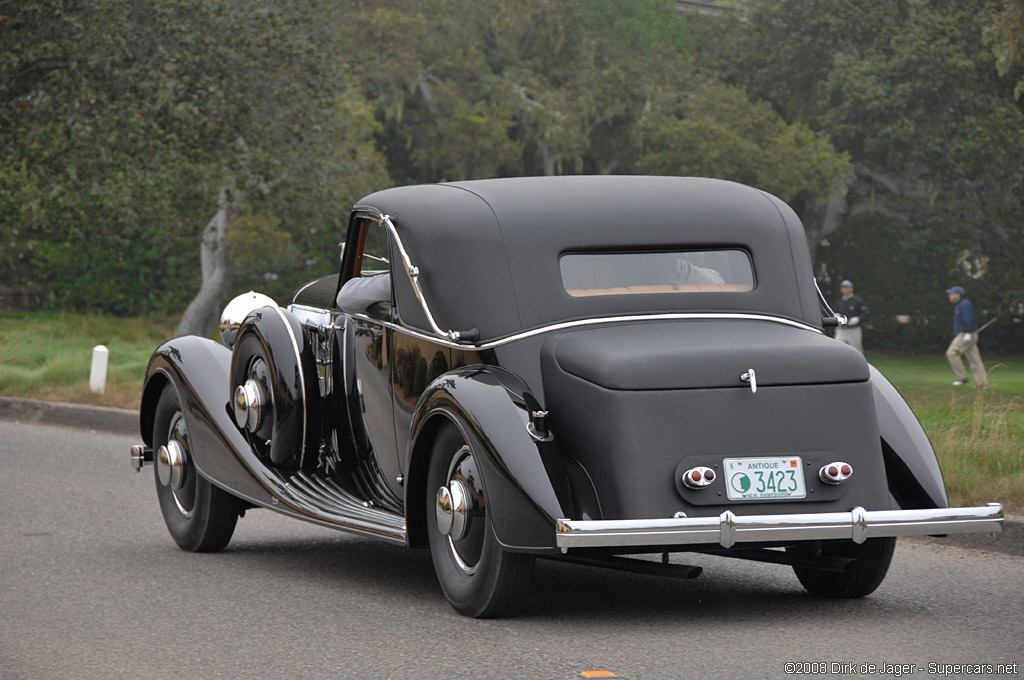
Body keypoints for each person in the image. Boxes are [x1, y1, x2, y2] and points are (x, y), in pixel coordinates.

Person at [945, 286, 987, 388]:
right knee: (974, 359)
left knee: (951, 353)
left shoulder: (964, 305)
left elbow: (969, 319)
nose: (949, 296)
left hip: (966, 334)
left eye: (951, 294)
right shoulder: (961, 305)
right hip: (969, 334)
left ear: (957, 295)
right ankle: (982, 383)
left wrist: (968, 332)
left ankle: (963, 378)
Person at [833, 280, 870, 353]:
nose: (845, 289)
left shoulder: (858, 301)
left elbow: (866, 313)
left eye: (847, 288)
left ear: (851, 289)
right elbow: (835, 312)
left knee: (856, 351)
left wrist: (858, 318)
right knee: (837, 349)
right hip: (841, 330)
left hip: (854, 330)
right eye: (843, 288)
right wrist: (836, 316)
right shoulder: (839, 302)